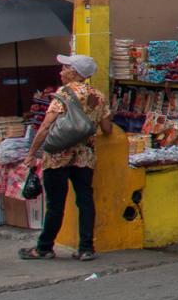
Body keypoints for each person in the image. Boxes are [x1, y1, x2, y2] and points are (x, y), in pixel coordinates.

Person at [17, 54, 113, 262]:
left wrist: (32, 153)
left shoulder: (64, 94)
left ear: (76, 73)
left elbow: (45, 127)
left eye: (65, 68)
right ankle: (86, 248)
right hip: (85, 157)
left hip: (58, 156)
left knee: (55, 205)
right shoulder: (98, 96)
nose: (61, 71)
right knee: (85, 201)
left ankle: (44, 247)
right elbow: (107, 129)